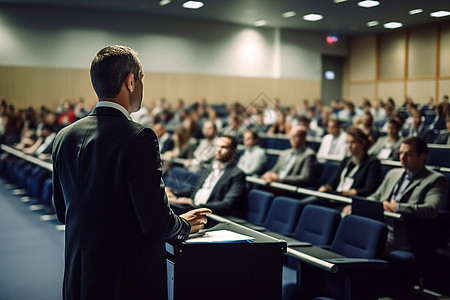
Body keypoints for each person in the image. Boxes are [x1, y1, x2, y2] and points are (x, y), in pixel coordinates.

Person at [52, 45, 211, 300]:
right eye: (142, 78)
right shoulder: (139, 136)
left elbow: (63, 211)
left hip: (78, 275)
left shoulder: (64, 136)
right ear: (130, 81)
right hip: (124, 281)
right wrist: (182, 225)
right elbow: (155, 224)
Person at [367, 137, 446, 253]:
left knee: (367, 244)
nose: (402, 158)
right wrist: (361, 205)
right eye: (401, 153)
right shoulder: (392, 173)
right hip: (378, 223)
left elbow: (431, 209)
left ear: (422, 156)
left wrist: (398, 208)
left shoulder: (435, 179)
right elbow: (376, 196)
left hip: (399, 233)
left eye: (408, 154)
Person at [167, 134, 247, 217]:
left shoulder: (237, 174)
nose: (218, 150)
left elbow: (227, 204)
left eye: (224, 147)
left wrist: (195, 205)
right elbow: (195, 191)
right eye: (217, 146)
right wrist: (174, 193)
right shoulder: (209, 168)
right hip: (193, 208)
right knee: (164, 202)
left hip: (211, 215)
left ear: (234, 151)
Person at [318, 126, 381, 197]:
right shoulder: (347, 160)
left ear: (362, 143)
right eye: (347, 142)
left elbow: (369, 189)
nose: (349, 146)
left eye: (353, 142)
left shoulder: (372, 162)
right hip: (337, 196)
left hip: (351, 200)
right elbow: (334, 181)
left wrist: (345, 193)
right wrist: (326, 187)